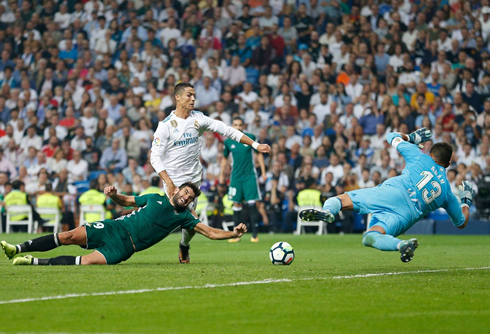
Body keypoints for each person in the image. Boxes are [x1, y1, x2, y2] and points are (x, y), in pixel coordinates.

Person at [300, 127, 474, 263]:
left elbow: (391, 136)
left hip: (393, 192)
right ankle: (401, 244)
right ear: (449, 163)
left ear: (431, 154)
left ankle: (330, 212)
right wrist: (465, 200)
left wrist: (411, 138)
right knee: (370, 237)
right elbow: (461, 222)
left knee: (339, 199)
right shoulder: (447, 194)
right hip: (406, 215)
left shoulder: (419, 156)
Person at [150, 82, 270, 263]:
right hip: (173, 180)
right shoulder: (165, 125)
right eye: (189, 95)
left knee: (191, 223)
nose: (193, 99)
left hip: (193, 180)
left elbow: (228, 130)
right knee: (166, 220)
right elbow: (155, 157)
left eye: (194, 95)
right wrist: (168, 182)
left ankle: (184, 245)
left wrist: (255, 145)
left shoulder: (198, 119)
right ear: (177, 97)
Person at [1, 183, 247, 266]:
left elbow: (212, 233)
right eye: (185, 193)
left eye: (190, 198)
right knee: (68, 236)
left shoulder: (185, 218)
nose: (186, 198)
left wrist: (233, 232)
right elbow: (126, 201)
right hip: (115, 228)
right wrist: (112, 194)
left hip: (124, 248)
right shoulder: (154, 198)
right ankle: (18, 248)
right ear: (178, 190)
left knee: (84, 262)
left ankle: (31, 262)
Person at [221, 117, 266, 242]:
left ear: (243, 126)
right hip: (235, 177)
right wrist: (222, 174)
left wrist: (263, 171)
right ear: (232, 126)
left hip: (249, 176)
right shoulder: (228, 142)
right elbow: (225, 158)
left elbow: (258, 154)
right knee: (236, 204)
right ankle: (237, 236)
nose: (238, 127)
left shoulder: (250, 137)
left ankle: (255, 235)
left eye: (240, 125)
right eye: (235, 125)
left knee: (252, 204)